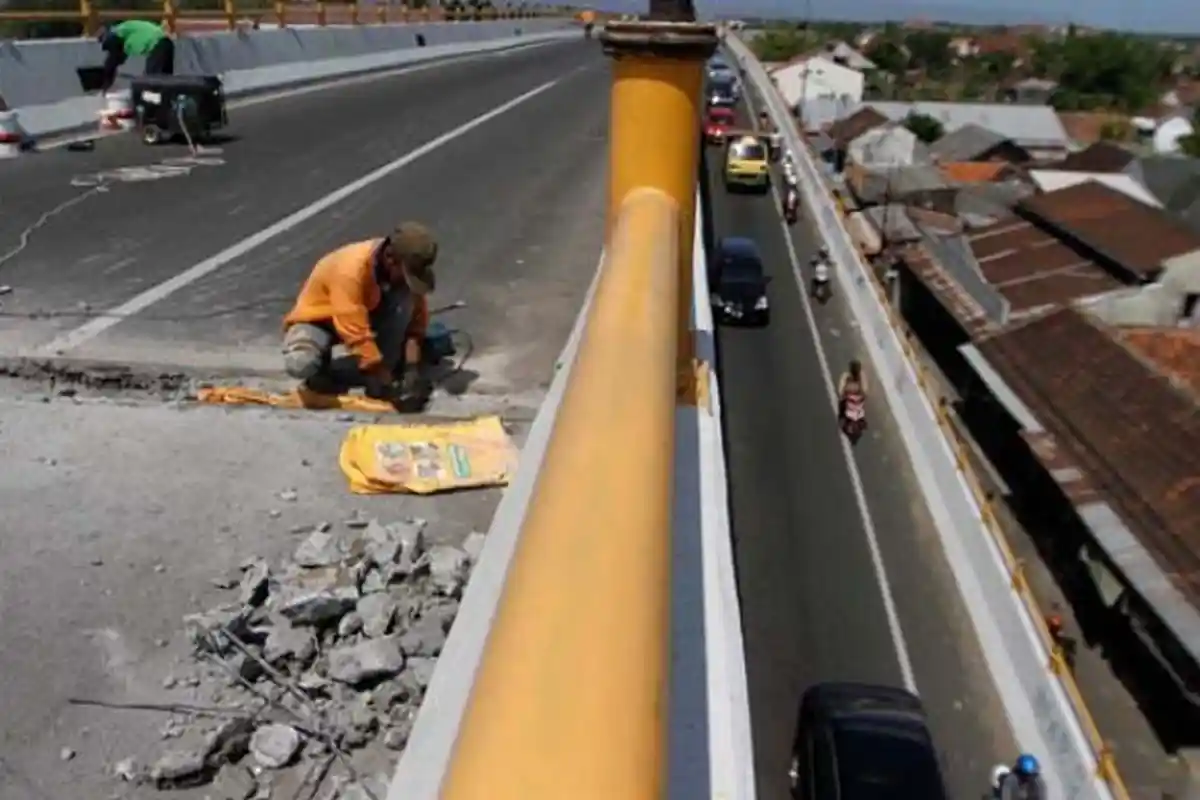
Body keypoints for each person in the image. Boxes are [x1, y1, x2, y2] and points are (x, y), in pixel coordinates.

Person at [282, 222, 438, 403]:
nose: (405, 281)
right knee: (301, 363)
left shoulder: (404, 270)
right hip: (320, 319)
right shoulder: (351, 270)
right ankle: (321, 369)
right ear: (389, 258)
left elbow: (415, 326)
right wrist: (381, 375)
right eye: (405, 274)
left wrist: (411, 370)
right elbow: (354, 331)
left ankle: (341, 373)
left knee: (388, 362)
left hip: (368, 316)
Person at [97, 20, 175, 93]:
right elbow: (119, 56)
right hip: (166, 42)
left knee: (152, 81)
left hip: (157, 44)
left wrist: (107, 81)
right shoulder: (126, 30)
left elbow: (114, 58)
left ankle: (155, 101)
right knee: (165, 80)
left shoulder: (117, 34)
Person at [837, 358, 868, 423]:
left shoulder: (861, 377)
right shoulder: (846, 376)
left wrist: (863, 395)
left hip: (857, 399)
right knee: (841, 403)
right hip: (849, 398)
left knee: (861, 410)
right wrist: (843, 394)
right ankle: (841, 415)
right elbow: (841, 388)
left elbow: (865, 389)